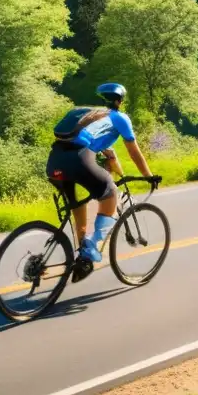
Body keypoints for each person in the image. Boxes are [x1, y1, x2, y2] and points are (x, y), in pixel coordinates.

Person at [46, 82, 157, 266]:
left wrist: (118, 173)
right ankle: (93, 243)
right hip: (79, 159)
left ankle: (82, 260)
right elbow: (134, 152)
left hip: (55, 161)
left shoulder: (88, 117)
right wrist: (148, 176)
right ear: (120, 101)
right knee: (111, 192)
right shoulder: (118, 118)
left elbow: (110, 156)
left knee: (78, 207)